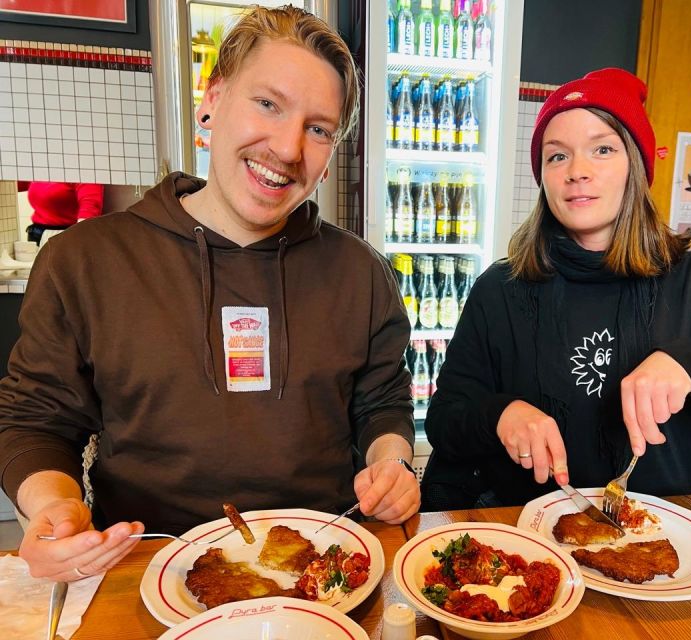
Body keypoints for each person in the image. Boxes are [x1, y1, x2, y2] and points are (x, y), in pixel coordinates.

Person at [0, 6, 419, 582]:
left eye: (319, 129)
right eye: (267, 104)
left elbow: (382, 405)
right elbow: (37, 421)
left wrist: (393, 463)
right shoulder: (85, 260)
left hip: (324, 574)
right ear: (213, 99)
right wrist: (54, 508)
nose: (288, 148)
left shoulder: (362, 273)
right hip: (143, 568)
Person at [420, 68, 691, 510]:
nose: (577, 171)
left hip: (674, 551)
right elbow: (445, 420)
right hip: (529, 552)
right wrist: (500, 414)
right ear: (542, 178)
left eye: (602, 149)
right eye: (556, 156)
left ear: (635, 167)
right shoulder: (499, 291)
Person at [18, 181, 105, 245]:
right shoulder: (42, 166)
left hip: (67, 236)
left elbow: (90, 204)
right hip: (36, 234)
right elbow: (13, 183)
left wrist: (81, 238)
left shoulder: (80, 168)